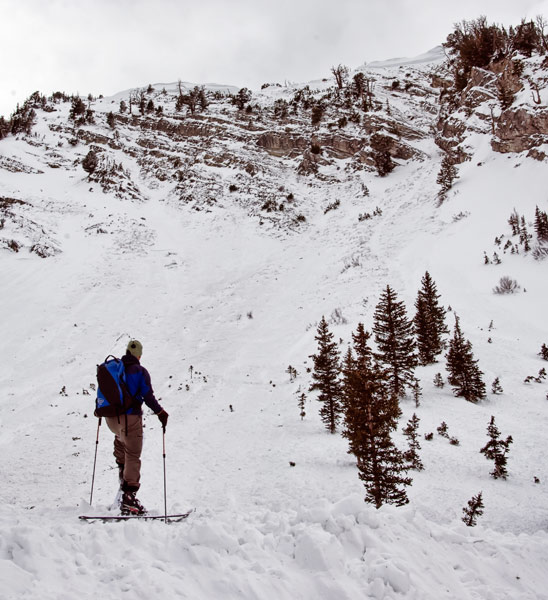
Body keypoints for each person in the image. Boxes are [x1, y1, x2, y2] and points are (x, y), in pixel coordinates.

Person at [105, 339, 169, 515]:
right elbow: (148, 397)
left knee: (121, 443)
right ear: (139, 355)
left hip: (111, 420)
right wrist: (161, 413)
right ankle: (129, 499)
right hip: (130, 419)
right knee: (133, 453)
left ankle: (122, 481)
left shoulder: (113, 369)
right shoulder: (139, 371)